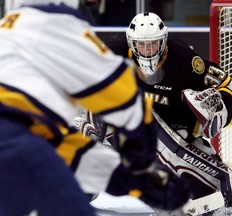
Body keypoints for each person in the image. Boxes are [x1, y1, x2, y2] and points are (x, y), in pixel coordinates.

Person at [0, 2, 190, 216]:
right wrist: (143, 163)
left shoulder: (9, 34)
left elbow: (60, 149)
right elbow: (124, 96)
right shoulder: (52, 24)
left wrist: (131, 181)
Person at [80, 12, 232, 215]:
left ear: (163, 42)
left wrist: (218, 106)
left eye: (153, 44)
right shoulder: (111, 55)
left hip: (177, 129)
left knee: (208, 195)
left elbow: (225, 83)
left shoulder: (185, 60)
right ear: (131, 43)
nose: (147, 50)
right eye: (142, 45)